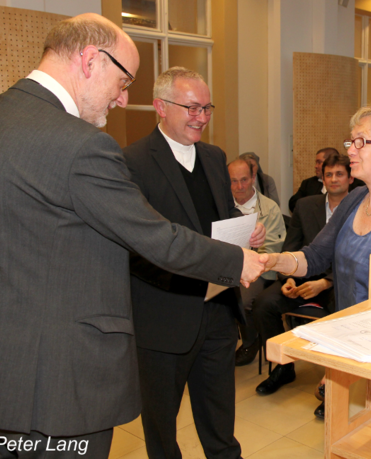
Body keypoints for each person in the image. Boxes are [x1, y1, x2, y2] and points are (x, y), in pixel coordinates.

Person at [0, 15, 267, 457]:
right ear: (90, 60)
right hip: (61, 385)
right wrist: (238, 260)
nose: (123, 99)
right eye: (123, 81)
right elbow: (155, 236)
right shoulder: (81, 145)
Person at [123, 67, 267, 459]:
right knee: (162, 428)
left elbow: (220, 217)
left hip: (218, 309)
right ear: (160, 107)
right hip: (164, 315)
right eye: (191, 108)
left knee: (220, 423)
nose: (201, 117)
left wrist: (245, 233)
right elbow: (136, 246)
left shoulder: (214, 156)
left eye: (207, 108)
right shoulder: (132, 161)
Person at [265, 103, 371, 312]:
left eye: (360, 142)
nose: (350, 150)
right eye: (351, 142)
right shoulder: (356, 198)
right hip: (346, 323)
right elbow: (315, 257)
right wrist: (271, 260)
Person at [253, 155, 353, 399]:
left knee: (344, 314)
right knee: (264, 304)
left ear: (351, 178)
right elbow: (291, 245)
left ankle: (332, 382)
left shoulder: (361, 208)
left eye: (340, 174)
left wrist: (325, 282)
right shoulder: (306, 206)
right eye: (329, 174)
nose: (334, 179)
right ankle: (283, 367)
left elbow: (357, 257)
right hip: (301, 279)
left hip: (337, 283)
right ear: (322, 178)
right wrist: (287, 278)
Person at [229, 158, 286, 367]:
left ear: (253, 178)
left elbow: (271, 249)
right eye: (233, 181)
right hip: (227, 266)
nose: (239, 186)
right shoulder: (222, 205)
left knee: (240, 298)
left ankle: (250, 342)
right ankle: (219, 344)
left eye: (244, 180)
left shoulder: (269, 208)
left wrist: (246, 266)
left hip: (261, 270)